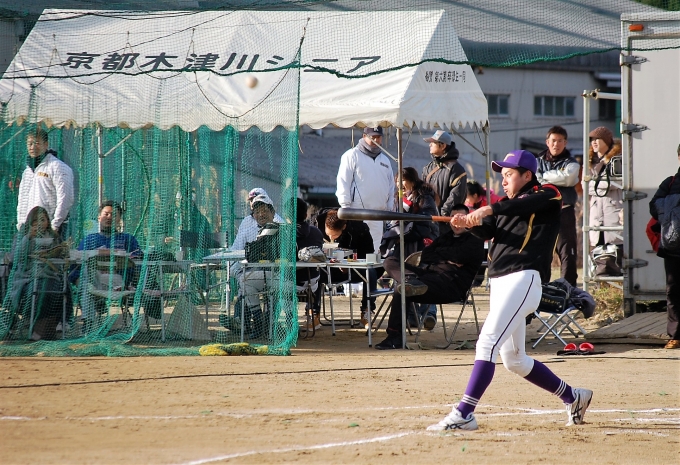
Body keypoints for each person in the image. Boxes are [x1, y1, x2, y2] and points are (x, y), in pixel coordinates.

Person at [428, 150, 592, 431]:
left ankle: (465, 413)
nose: (503, 181)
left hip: (523, 279)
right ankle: (573, 396)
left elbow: (519, 206)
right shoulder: (505, 205)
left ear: (527, 175)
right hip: (501, 282)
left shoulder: (547, 194)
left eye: (509, 174)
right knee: (514, 360)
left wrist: (486, 209)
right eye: (502, 175)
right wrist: (467, 223)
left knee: (486, 343)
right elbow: (489, 230)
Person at [375, 204, 485, 349]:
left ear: (468, 219)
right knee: (390, 261)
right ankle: (410, 279)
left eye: (461, 218)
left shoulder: (475, 240)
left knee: (401, 289)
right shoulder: (445, 237)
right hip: (427, 276)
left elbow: (458, 256)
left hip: (450, 284)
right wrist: (448, 257)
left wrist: (441, 254)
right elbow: (426, 255)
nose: (457, 222)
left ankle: (395, 336)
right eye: (453, 217)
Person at [380, 167, 439, 329]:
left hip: (424, 243)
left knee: (424, 277)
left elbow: (427, 221)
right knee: (406, 278)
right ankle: (412, 317)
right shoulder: (400, 198)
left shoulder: (424, 196)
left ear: (412, 180)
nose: (400, 184)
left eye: (403, 181)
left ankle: (428, 314)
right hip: (406, 243)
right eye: (397, 182)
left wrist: (407, 222)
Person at [71, 201, 142, 330]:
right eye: (106, 214)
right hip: (93, 280)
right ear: (99, 217)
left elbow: (137, 261)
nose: (109, 217)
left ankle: (89, 323)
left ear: (119, 219)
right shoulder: (89, 239)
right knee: (85, 279)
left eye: (114, 215)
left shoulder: (128, 239)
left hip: (117, 282)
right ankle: (92, 317)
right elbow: (76, 264)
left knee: (86, 286)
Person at [8, 207, 71, 341]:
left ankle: (52, 326)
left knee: (60, 288)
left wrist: (61, 252)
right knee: (38, 291)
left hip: (51, 276)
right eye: (36, 220)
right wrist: (28, 238)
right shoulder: (21, 236)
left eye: (43, 220)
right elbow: (14, 258)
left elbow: (62, 259)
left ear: (48, 221)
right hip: (27, 279)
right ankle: (40, 329)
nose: (40, 223)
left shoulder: (54, 237)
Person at [315, 208, 377, 329]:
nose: (331, 238)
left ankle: (367, 311)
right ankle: (313, 312)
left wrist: (350, 265)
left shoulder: (360, 229)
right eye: (328, 235)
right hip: (326, 269)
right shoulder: (317, 225)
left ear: (343, 227)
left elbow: (368, 255)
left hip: (354, 269)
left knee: (370, 272)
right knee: (313, 273)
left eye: (334, 235)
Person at [336, 126, 395, 253]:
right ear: (364, 136)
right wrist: (345, 206)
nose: (376, 140)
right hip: (357, 214)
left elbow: (391, 186)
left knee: (375, 252)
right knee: (356, 252)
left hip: (378, 215)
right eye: (372, 137)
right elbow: (343, 181)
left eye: (378, 137)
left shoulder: (385, 160)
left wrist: (389, 207)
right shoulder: (351, 155)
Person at [232, 194, 284, 338]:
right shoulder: (247, 230)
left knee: (250, 282)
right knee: (244, 281)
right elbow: (235, 251)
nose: (261, 214)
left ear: (273, 212)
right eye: (257, 211)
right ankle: (258, 322)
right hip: (257, 275)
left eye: (265, 210)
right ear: (253, 215)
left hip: (280, 276)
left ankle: (268, 323)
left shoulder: (282, 229)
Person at [536, 126, 580, 286]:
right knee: (541, 251)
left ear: (565, 143)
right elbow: (535, 180)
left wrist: (544, 177)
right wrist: (555, 178)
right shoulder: (537, 161)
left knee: (567, 251)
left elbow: (569, 179)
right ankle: (540, 287)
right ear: (547, 142)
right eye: (553, 140)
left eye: (560, 141)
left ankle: (568, 288)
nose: (556, 144)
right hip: (543, 212)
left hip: (564, 211)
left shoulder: (572, 162)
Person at [17, 128, 74, 239]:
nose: (33, 147)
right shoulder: (27, 171)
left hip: (52, 228)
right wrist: (21, 224)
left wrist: (55, 225)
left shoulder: (58, 167)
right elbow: (22, 199)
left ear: (46, 144)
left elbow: (65, 198)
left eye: (37, 143)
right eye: (30, 144)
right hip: (31, 229)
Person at [649, 147, 680, 349]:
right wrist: (673, 211)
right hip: (673, 244)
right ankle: (676, 335)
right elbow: (653, 206)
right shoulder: (669, 182)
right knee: (674, 291)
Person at [588, 126, 623, 275]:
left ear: (607, 141)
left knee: (616, 256)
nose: (594, 142)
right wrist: (601, 185)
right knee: (598, 256)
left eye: (598, 139)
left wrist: (595, 184)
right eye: (592, 139)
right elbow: (585, 186)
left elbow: (618, 182)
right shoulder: (590, 161)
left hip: (613, 213)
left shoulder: (618, 159)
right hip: (596, 216)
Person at [421, 130, 467, 236]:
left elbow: (456, 196)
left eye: (433, 142)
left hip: (446, 225)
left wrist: (442, 215)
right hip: (428, 223)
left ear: (442, 146)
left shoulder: (456, 169)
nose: (429, 145)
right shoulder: (427, 168)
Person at [295, 198, 324, 329]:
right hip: (313, 283)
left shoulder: (284, 234)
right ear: (306, 214)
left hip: (290, 285)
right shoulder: (317, 232)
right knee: (320, 272)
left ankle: (288, 320)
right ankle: (314, 314)